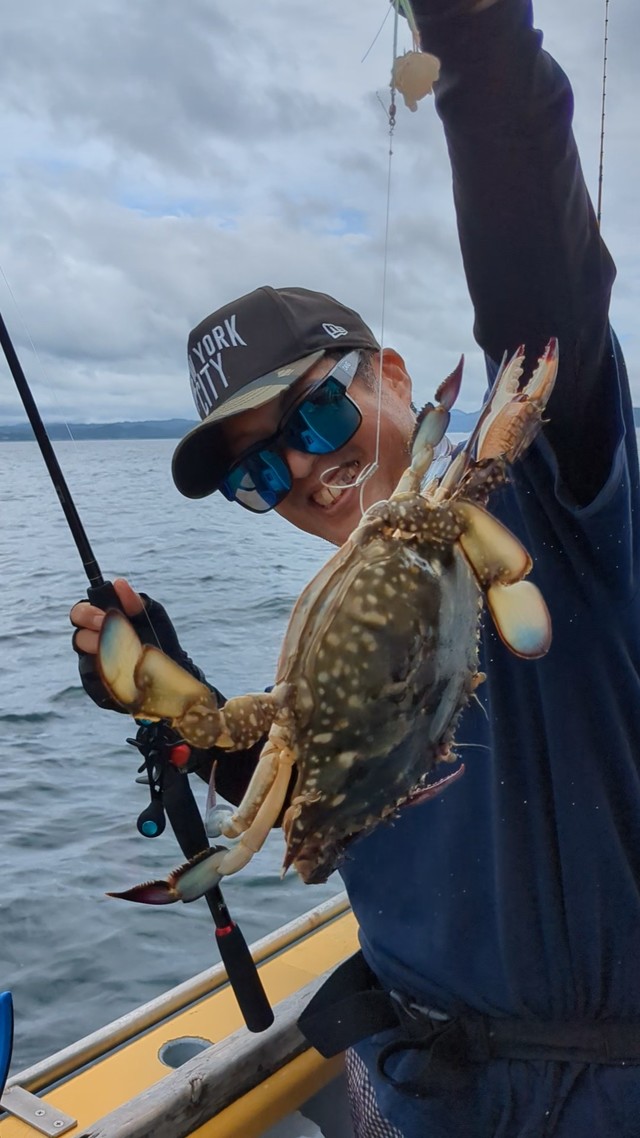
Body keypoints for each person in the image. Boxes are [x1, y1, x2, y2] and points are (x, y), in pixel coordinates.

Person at [70, 0, 640, 1134]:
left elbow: (542, 298)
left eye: (316, 414)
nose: (298, 468)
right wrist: (183, 706)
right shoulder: (320, 664)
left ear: (393, 376)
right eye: (253, 471)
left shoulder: (536, 497)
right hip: (412, 1093)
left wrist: (476, 43)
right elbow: (320, 811)